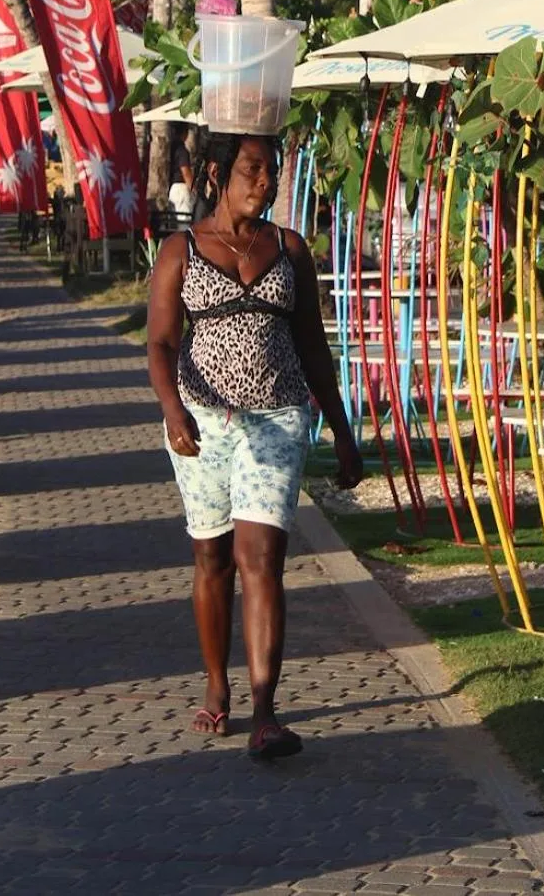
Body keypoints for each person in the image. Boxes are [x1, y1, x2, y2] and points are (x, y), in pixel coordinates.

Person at [147, 132, 363, 760]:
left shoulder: (289, 250)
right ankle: (218, 686)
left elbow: (315, 350)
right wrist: (172, 409)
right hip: (202, 423)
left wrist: (343, 432)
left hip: (278, 416)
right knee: (212, 558)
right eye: (252, 169)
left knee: (259, 555)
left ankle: (266, 712)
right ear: (216, 174)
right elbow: (161, 342)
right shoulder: (180, 251)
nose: (265, 181)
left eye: (271, 170)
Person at [167, 126, 197, 222]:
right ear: (185, 133)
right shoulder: (182, 150)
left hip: (172, 189)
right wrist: (194, 189)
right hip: (181, 189)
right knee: (184, 222)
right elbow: (185, 172)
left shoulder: (171, 149)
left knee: (174, 223)